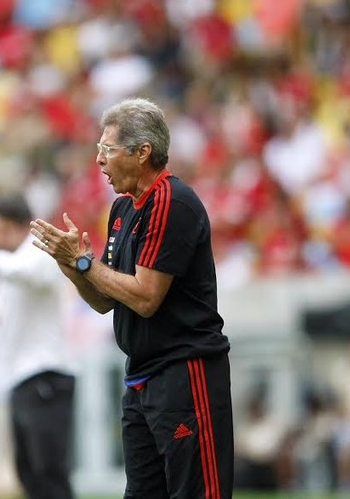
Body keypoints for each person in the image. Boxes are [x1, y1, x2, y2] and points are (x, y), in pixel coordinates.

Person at [30, 97, 234, 499]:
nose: (99, 161)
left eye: (108, 149)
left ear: (142, 152)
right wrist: (70, 264)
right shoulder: (123, 207)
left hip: (184, 372)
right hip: (141, 377)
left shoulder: (170, 201)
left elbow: (144, 298)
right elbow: (106, 300)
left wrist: (86, 264)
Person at [0, 193, 76, 499]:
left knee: (48, 472)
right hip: (22, 380)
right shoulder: (10, 264)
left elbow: (21, 272)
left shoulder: (39, 252)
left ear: (13, 225)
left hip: (45, 376)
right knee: (29, 472)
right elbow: (0, 305)